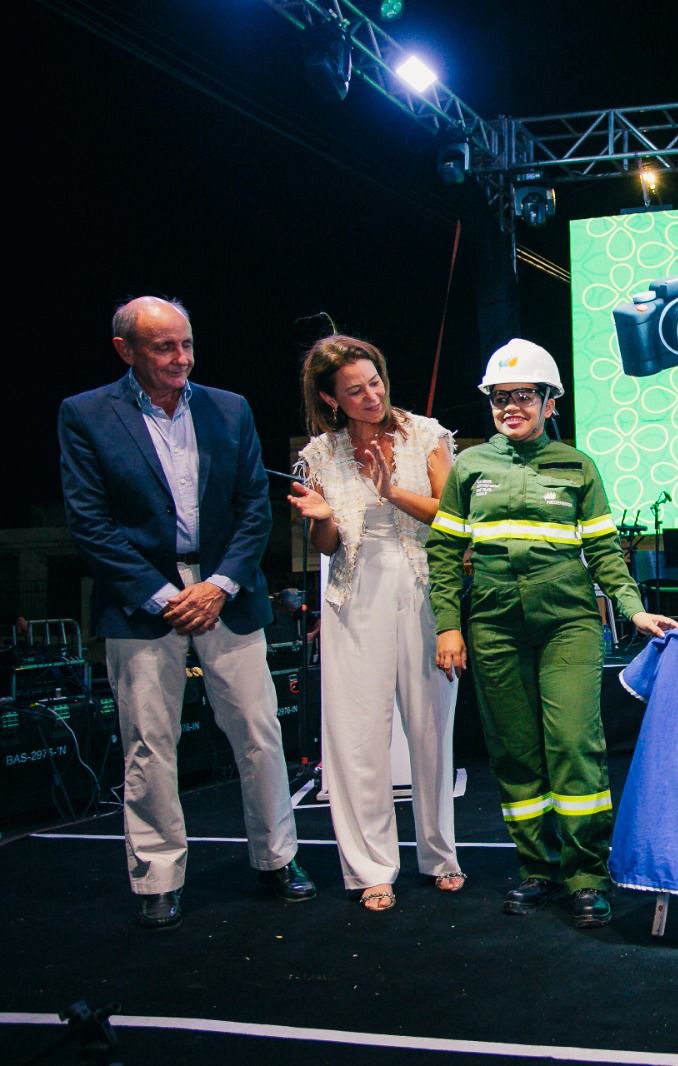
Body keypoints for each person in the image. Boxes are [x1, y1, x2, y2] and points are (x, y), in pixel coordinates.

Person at [58, 296, 316, 930]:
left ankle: (277, 859)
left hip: (228, 590)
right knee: (150, 745)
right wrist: (163, 595)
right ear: (125, 350)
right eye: (164, 347)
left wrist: (219, 585)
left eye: (187, 344)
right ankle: (157, 878)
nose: (181, 358)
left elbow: (255, 506)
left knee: (259, 732)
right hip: (143, 601)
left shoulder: (230, 408)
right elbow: (89, 522)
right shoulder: (85, 414)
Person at [427, 339, 678, 928]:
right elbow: (443, 552)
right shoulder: (470, 466)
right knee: (514, 752)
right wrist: (448, 626)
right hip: (493, 624)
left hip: (568, 622)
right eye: (500, 397)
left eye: (523, 395)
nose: (510, 406)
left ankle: (586, 874)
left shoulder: (578, 466)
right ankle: (537, 869)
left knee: (573, 745)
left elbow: (605, 551)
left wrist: (634, 609)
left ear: (550, 402)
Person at [288, 334, 462, 913]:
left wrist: (391, 491)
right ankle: (370, 868)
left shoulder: (426, 434)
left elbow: (452, 518)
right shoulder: (320, 453)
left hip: (421, 589)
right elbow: (327, 543)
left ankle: (440, 856)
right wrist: (321, 518)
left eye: (375, 381)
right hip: (352, 597)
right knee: (357, 737)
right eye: (355, 390)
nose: (371, 395)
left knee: (430, 730)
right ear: (330, 398)